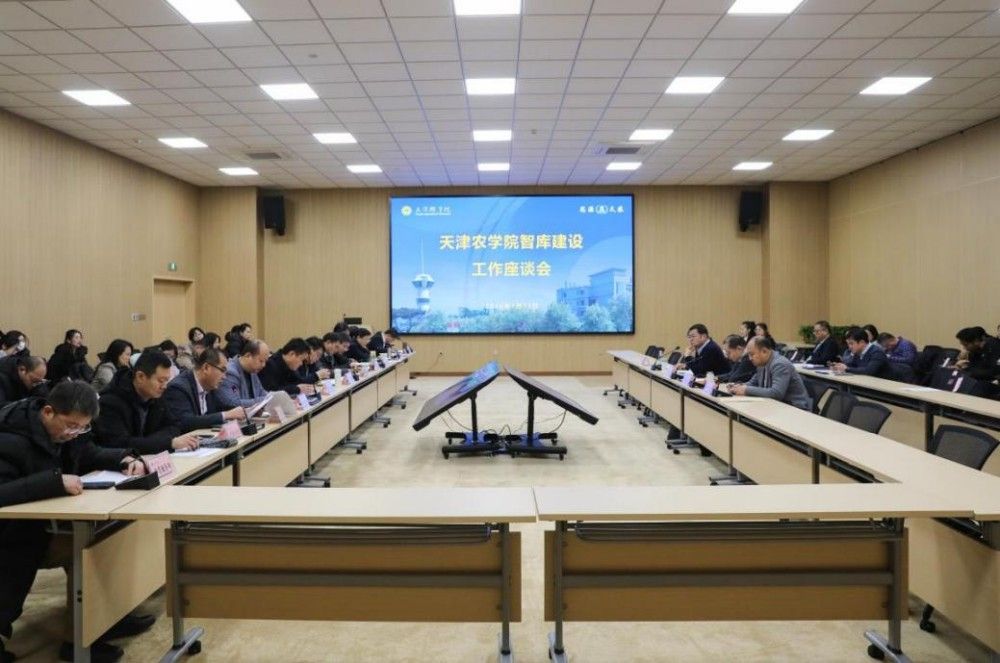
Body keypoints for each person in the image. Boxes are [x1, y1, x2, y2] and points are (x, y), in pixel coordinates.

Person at [0, 381, 149, 663]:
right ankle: (81, 639)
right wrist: (54, 482)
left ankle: (104, 620)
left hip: (39, 528)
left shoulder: (69, 433)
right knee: (84, 546)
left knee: (106, 537)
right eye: (71, 426)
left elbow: (88, 454)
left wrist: (123, 458)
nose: (74, 433)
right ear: (48, 412)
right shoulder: (9, 437)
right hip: (12, 536)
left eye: (82, 428)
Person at [92, 351, 199, 454]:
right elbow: (120, 444)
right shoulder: (110, 402)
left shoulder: (155, 396)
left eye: (167, 380)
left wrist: (150, 443)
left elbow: (173, 427)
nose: (164, 386)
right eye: (161, 381)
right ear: (140, 377)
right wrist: (167, 443)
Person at [163, 348, 246, 430]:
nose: (224, 377)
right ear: (206, 368)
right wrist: (226, 415)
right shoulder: (178, 388)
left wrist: (242, 412)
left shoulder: (210, 385)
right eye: (222, 370)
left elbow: (221, 408)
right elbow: (186, 421)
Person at [729, 336, 812, 410]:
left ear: (764, 351)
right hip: (778, 405)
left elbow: (776, 393)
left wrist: (746, 389)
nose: (750, 358)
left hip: (796, 408)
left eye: (752, 354)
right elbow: (752, 383)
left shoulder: (780, 364)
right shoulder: (761, 363)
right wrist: (738, 387)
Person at [217, 340, 271, 410]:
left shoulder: (252, 370)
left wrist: (272, 397)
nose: (264, 365)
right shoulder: (230, 373)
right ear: (248, 356)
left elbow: (262, 392)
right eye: (261, 361)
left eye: (265, 361)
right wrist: (262, 401)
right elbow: (233, 402)